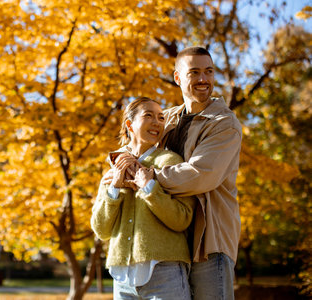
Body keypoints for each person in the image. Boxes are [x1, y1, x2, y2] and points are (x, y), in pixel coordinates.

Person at [112, 46, 242, 300]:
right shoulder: (167, 118)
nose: (203, 79)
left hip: (209, 241)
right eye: (194, 72)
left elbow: (201, 174)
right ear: (178, 77)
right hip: (172, 240)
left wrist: (147, 178)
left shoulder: (224, 124)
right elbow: (135, 147)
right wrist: (116, 166)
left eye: (209, 72)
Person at [91, 97, 196, 300]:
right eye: (148, 115)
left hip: (165, 273)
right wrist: (115, 189)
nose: (157, 122)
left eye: (161, 117)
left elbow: (182, 219)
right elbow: (101, 229)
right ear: (129, 124)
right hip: (122, 279)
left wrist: (149, 188)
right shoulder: (114, 167)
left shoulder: (170, 162)